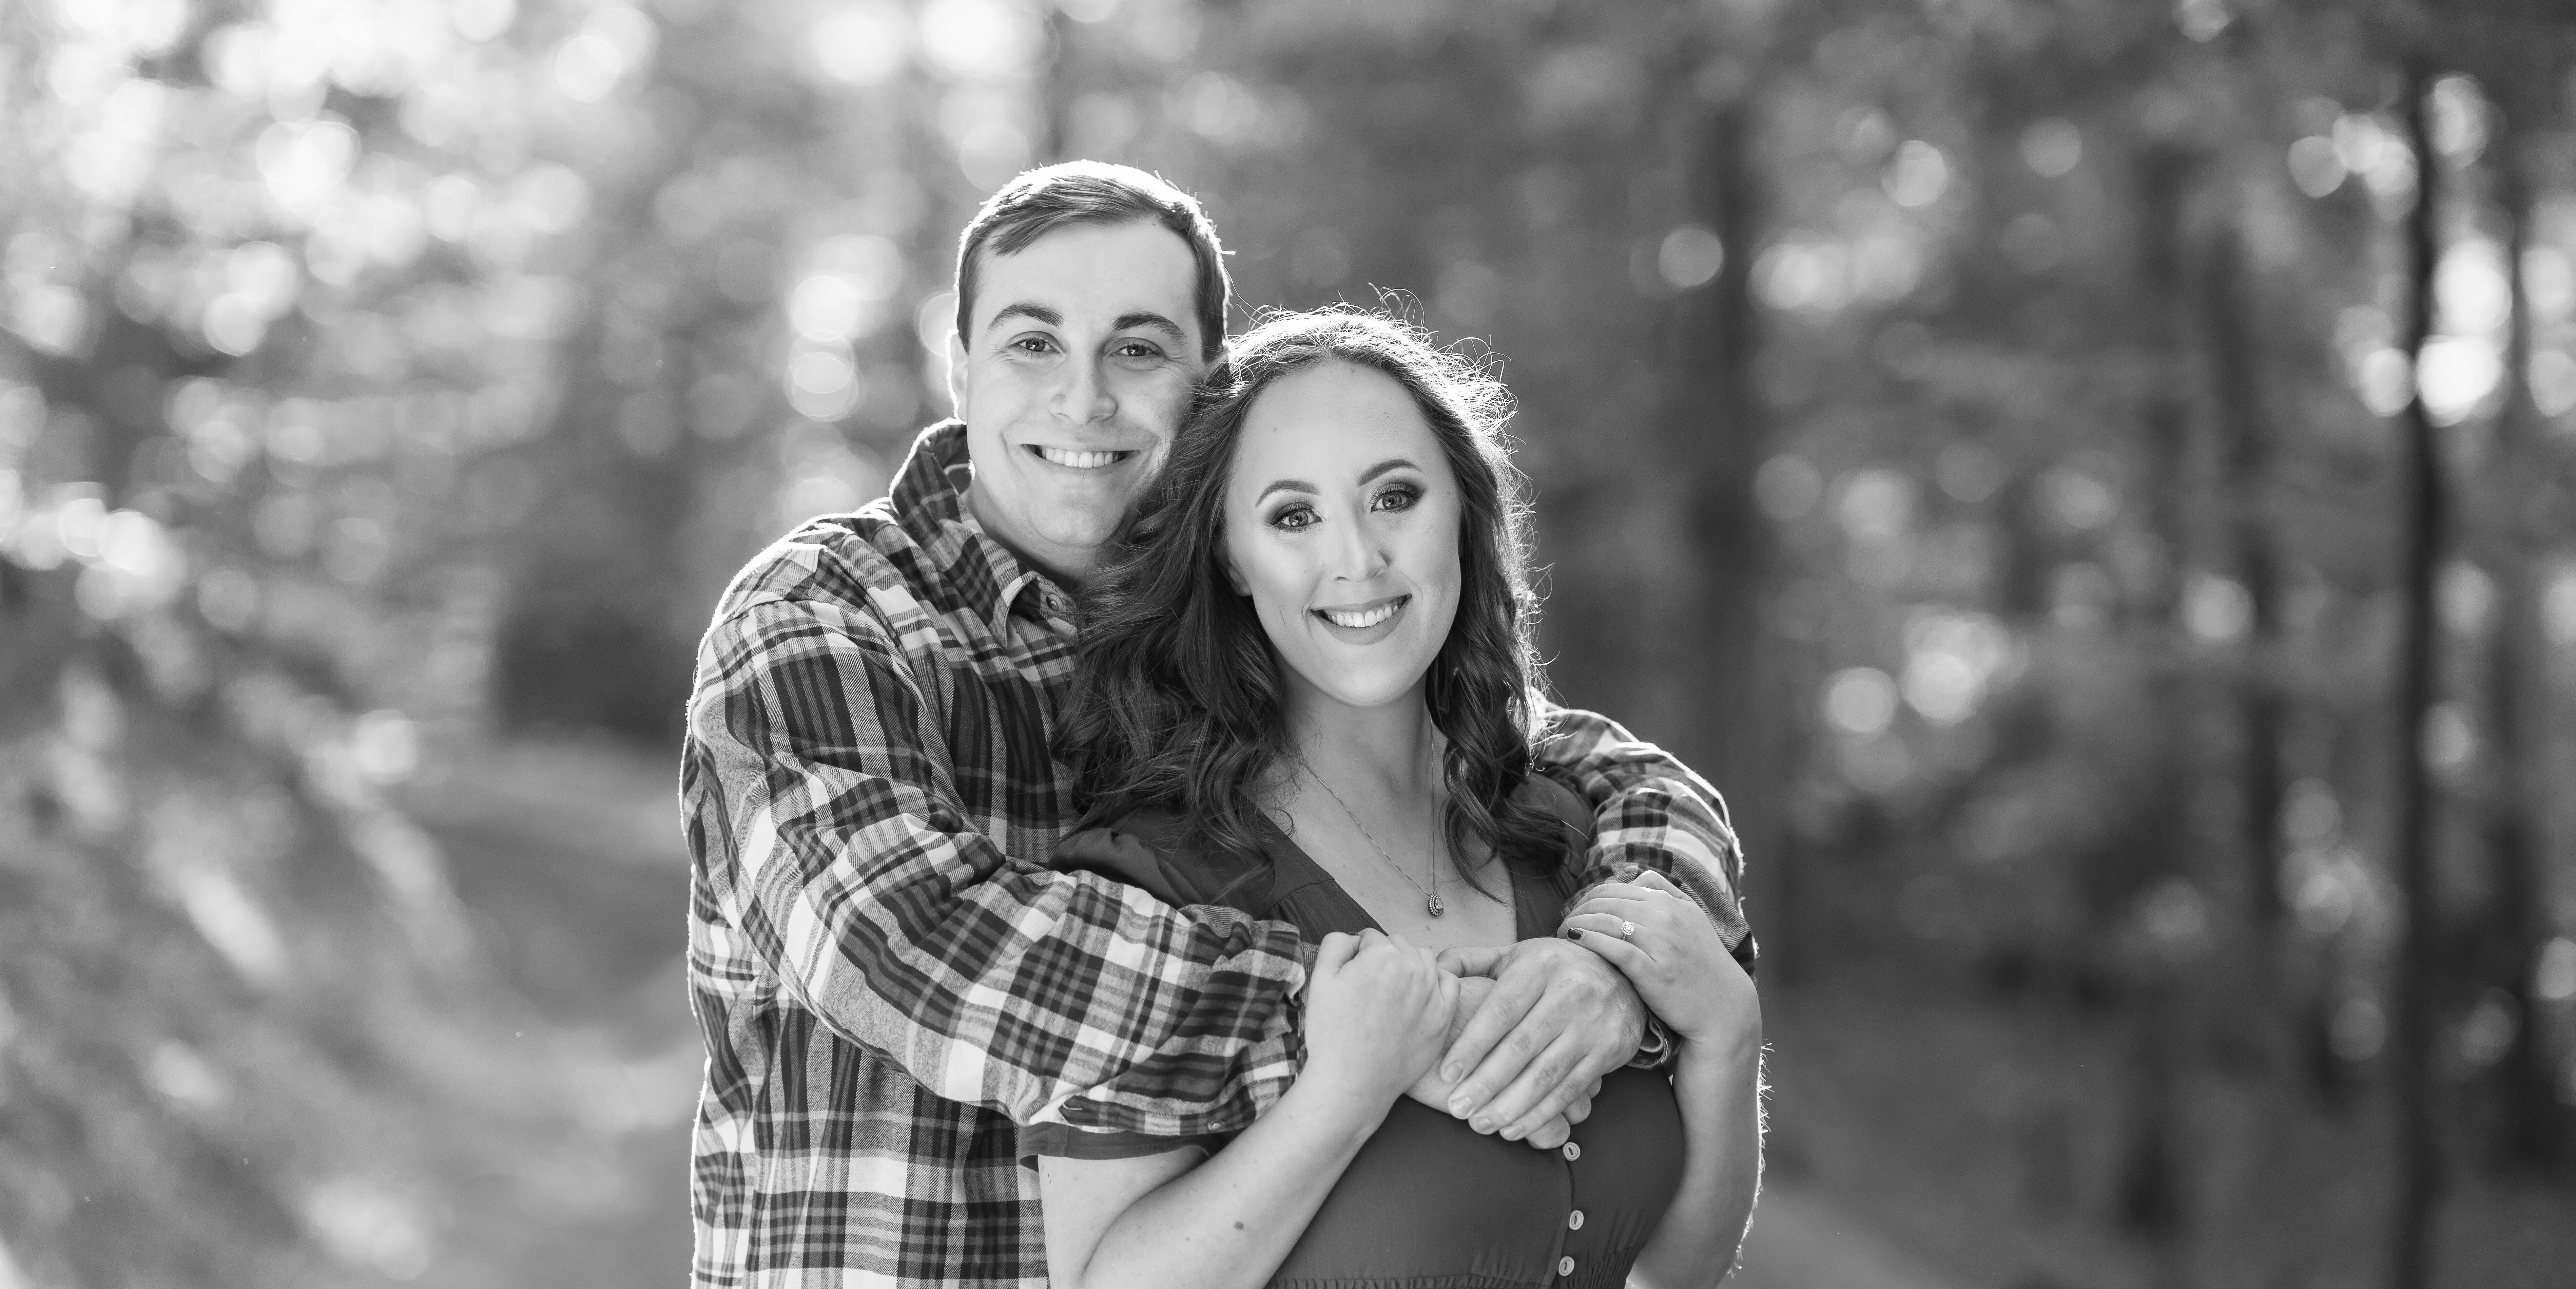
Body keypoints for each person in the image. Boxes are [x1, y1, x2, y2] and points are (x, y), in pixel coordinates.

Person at [680, 162, 1755, 1288]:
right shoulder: (827, 613)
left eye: (1138, 349)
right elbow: (901, 944)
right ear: (960, 365)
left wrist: (1623, 957)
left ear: (1206, 388)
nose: (1083, 400)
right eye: (1032, 343)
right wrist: (1369, 1020)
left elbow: (1605, 771)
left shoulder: (1264, 637)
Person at [1029, 309, 1762, 1289]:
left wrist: (1725, 1032)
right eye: (1293, 517)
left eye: (1394, 497)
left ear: (1460, 511)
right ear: (1230, 560)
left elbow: (1673, 1275)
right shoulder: (1151, 887)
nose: (1359, 560)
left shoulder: (1568, 834)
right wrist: (1342, 1093)